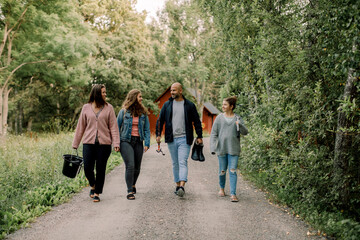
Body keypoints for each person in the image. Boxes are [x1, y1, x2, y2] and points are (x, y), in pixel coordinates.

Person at [73, 84, 120, 202]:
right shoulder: (86, 108)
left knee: (100, 168)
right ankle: (93, 185)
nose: (105, 94)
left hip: (104, 145)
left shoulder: (109, 108)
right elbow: (80, 127)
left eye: (105, 92)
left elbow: (113, 127)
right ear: (97, 94)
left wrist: (116, 143)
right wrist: (75, 143)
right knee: (88, 167)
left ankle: (97, 192)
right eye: (103, 92)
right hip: (88, 143)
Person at [156, 82, 203, 197]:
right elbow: (160, 120)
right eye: (171, 90)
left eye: (174, 90)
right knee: (175, 163)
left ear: (180, 91)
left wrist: (200, 136)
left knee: (182, 162)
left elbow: (197, 121)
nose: (172, 92)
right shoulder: (167, 105)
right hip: (171, 139)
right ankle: (177, 185)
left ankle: (182, 185)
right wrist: (158, 134)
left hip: (184, 138)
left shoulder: (189, 105)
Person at [210, 96, 248, 202]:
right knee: (222, 171)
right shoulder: (219, 118)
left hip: (234, 149)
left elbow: (245, 132)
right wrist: (213, 147)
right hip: (221, 149)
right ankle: (221, 188)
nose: (223, 106)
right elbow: (214, 134)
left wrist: (240, 125)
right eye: (222, 104)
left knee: (233, 171)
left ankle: (233, 194)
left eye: (225, 104)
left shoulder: (238, 118)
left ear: (231, 106)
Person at [117, 89, 150, 200]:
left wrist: (147, 143)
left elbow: (147, 129)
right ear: (134, 97)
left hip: (138, 141)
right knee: (130, 165)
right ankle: (129, 191)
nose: (141, 99)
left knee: (137, 168)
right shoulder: (124, 112)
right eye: (140, 96)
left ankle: (133, 184)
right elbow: (116, 128)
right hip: (125, 141)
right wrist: (116, 143)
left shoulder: (143, 113)